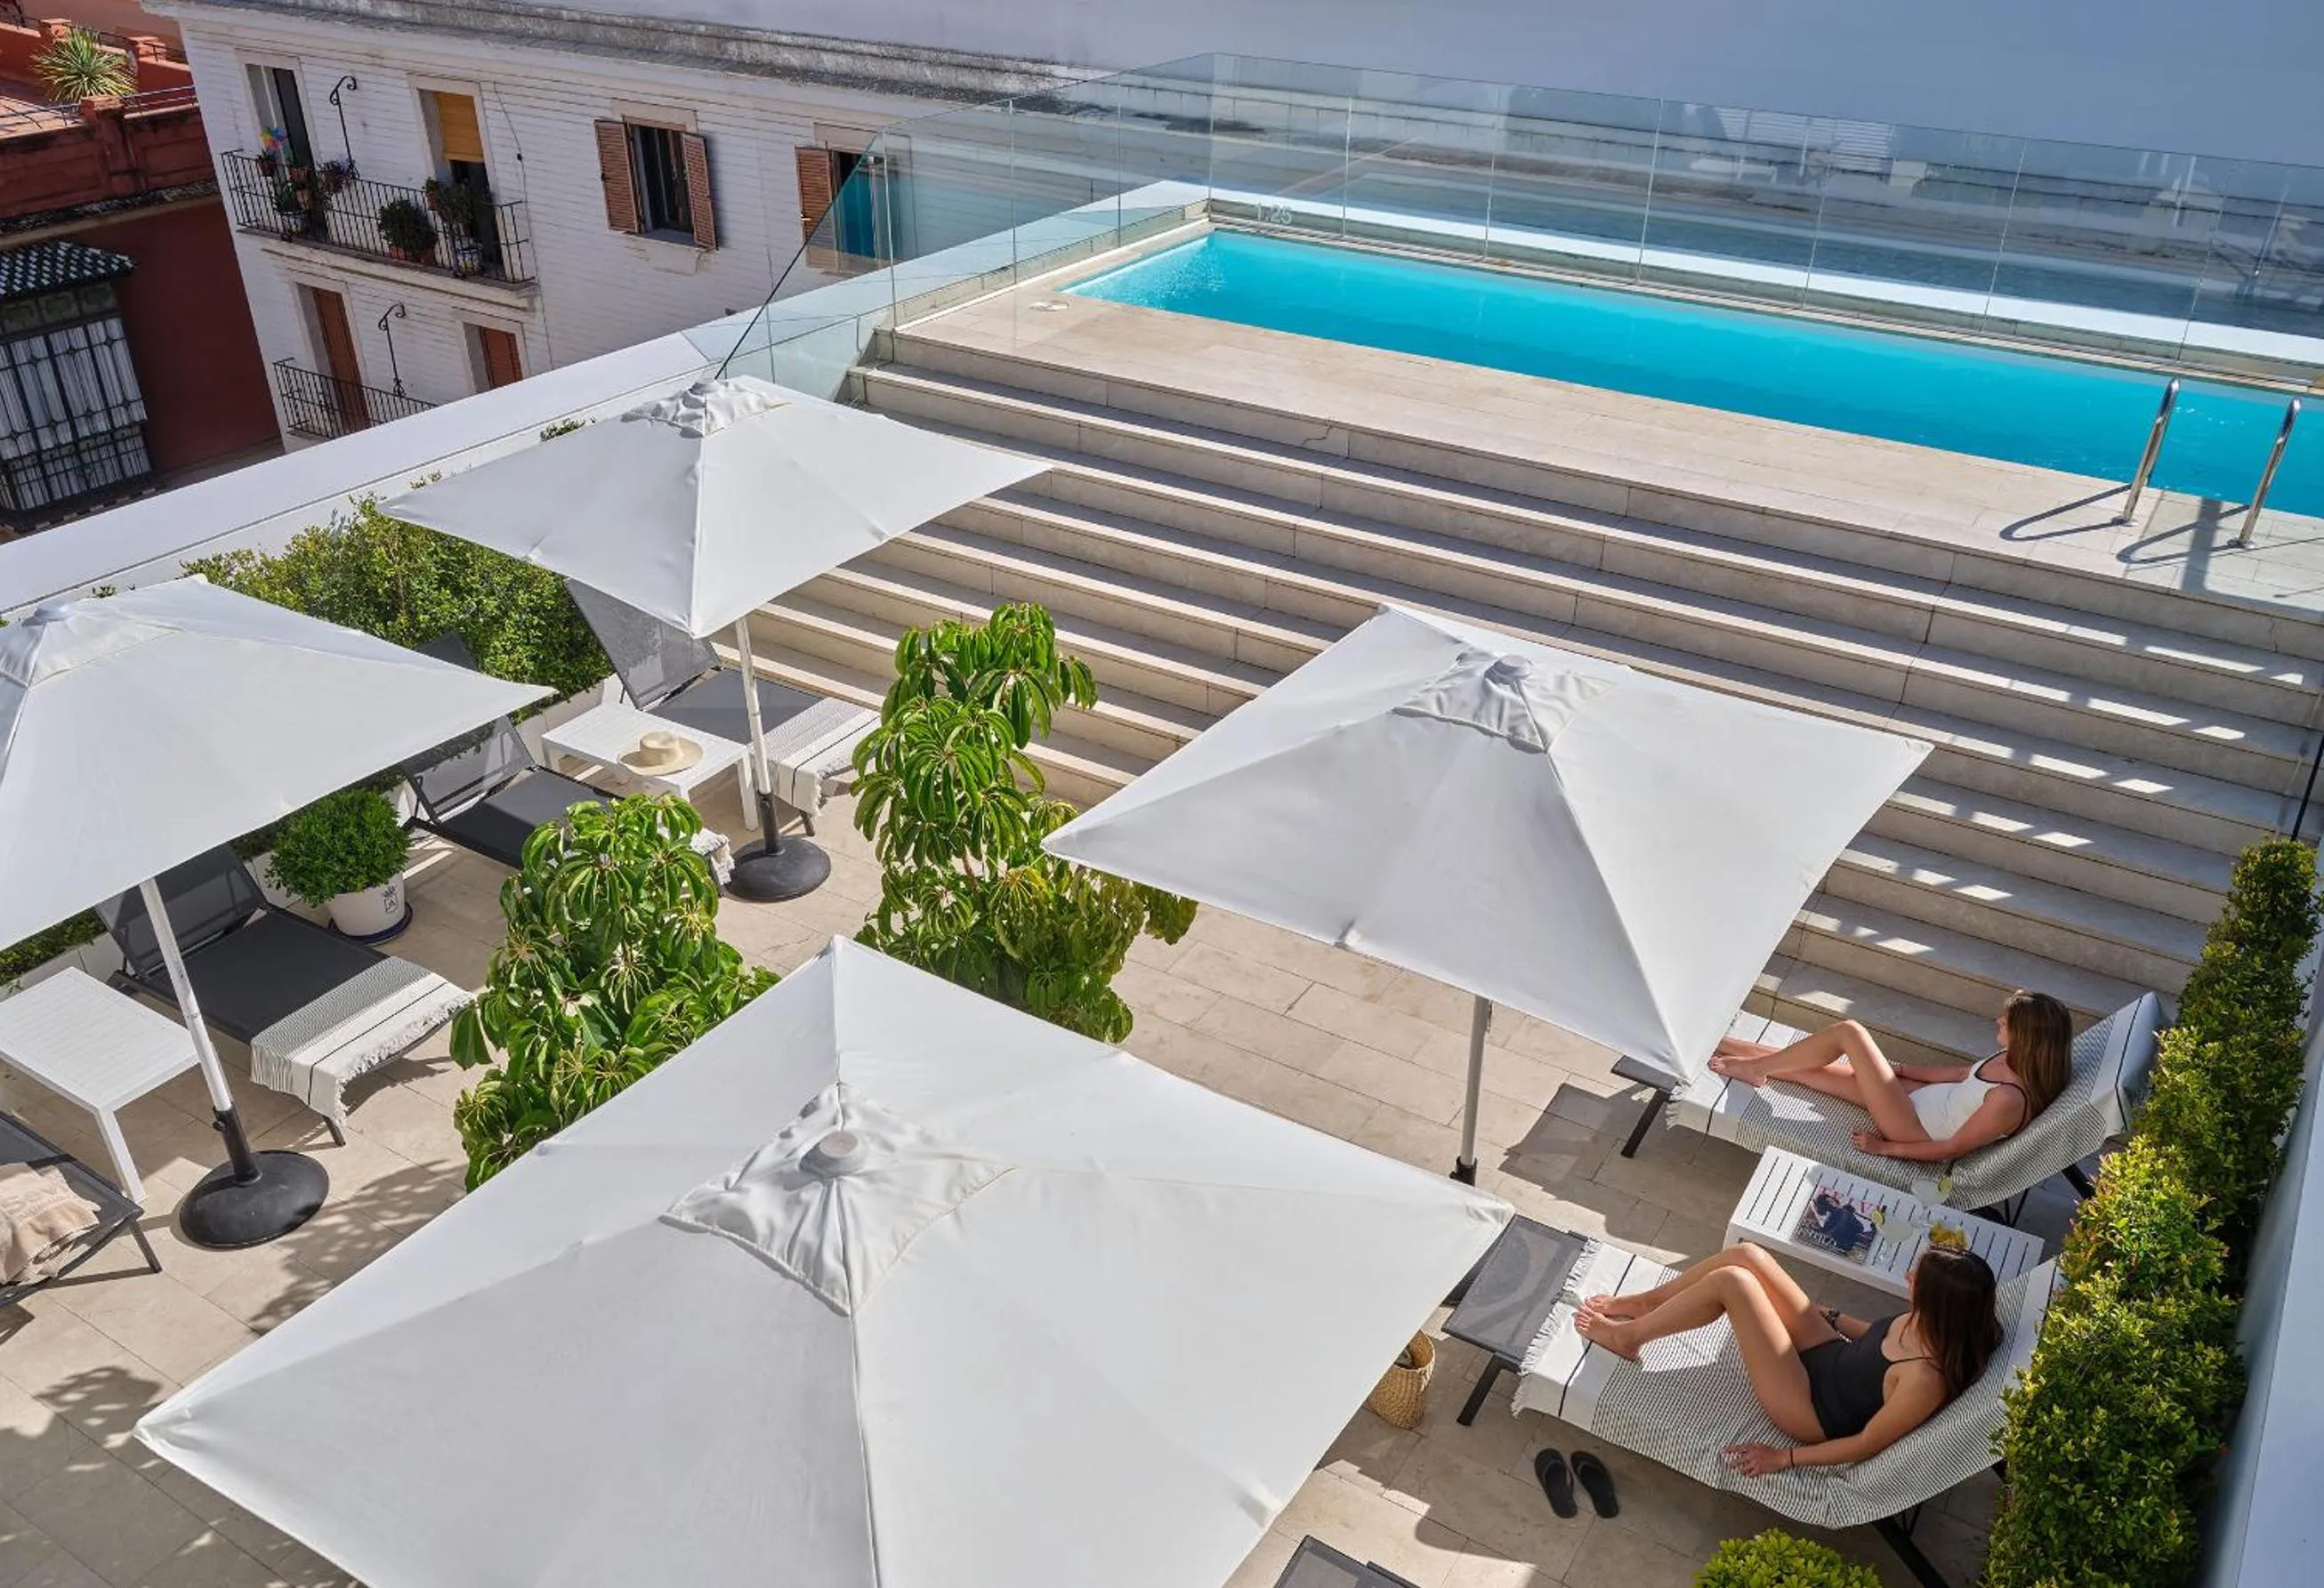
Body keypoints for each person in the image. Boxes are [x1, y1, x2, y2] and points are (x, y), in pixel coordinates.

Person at [1574, 1243, 2002, 1475]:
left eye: (1916, 1279)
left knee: (1734, 1283)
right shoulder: (1938, 1321)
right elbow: (1877, 1338)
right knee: (1749, 1256)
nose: (1908, 1278)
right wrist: (1828, 1315)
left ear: (1937, 1302)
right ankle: (1649, 1303)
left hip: (1809, 1407)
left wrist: (1783, 1458)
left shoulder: (1924, 1380)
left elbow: (1865, 1444)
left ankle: (1627, 1339)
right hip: (1831, 1354)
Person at [1705, 989, 2072, 1163]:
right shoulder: (2012, 1058)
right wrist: (1901, 1071)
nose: (1999, 1021)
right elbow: (1962, 1074)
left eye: (2007, 1022)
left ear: (2029, 1038)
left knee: (1849, 1032)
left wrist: (1886, 1148)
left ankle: (1752, 1069)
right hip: (1916, 1099)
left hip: (1912, 1127)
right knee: (1812, 1071)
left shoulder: (2009, 1099)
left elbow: (1951, 1148)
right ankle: (1719, 1042)